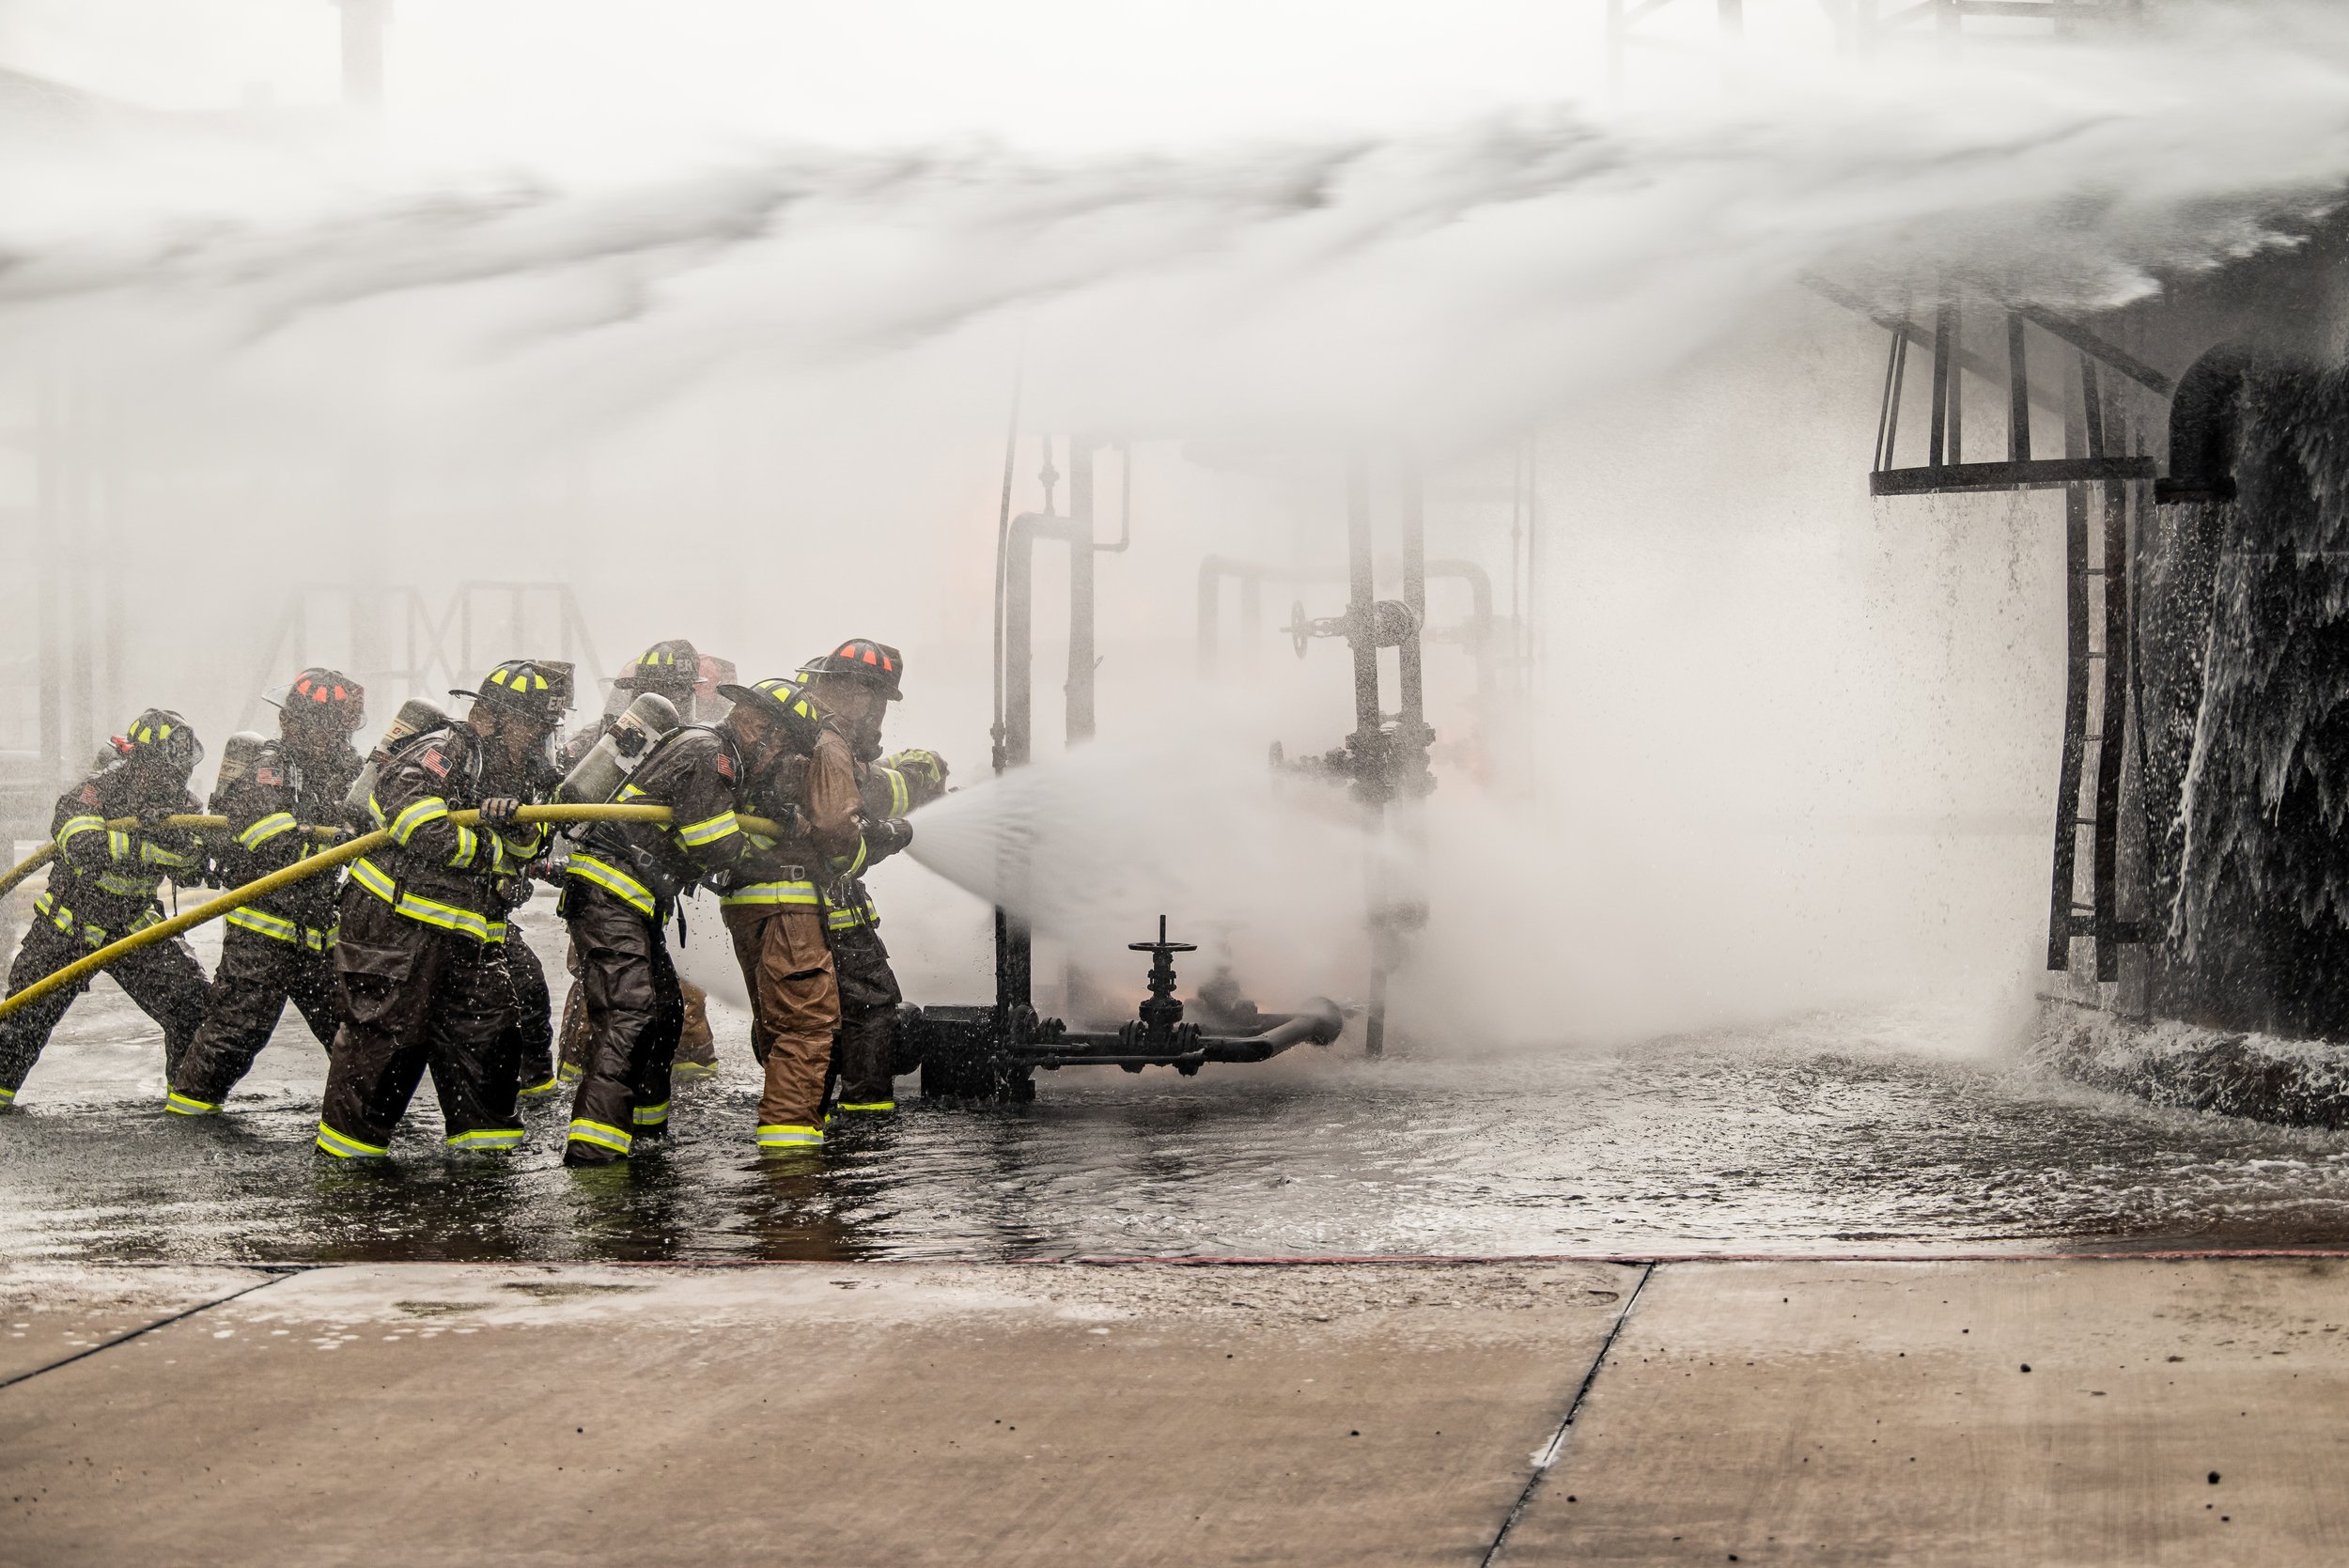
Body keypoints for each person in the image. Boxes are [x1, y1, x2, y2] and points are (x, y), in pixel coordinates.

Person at [313, 660, 567, 1158]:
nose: (537, 738)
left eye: (543, 728)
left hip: (467, 934)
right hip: (395, 926)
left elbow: (530, 848)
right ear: (491, 717)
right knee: (387, 1044)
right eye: (529, 726)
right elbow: (415, 822)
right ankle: (346, 1177)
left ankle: (487, 1171)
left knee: (491, 1039)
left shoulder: (515, 773)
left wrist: (516, 831)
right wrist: (490, 849)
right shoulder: (444, 750)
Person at [553, 676, 797, 1166]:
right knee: (629, 1012)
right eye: (783, 742)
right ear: (755, 725)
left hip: (631, 898)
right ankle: (594, 1150)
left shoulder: (705, 746)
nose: (780, 756)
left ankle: (646, 1135)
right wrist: (782, 856)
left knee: (664, 1016)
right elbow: (714, 844)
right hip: (610, 893)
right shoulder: (715, 754)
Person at [723, 644, 911, 1154]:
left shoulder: (801, 733)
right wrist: (879, 841)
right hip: (820, 907)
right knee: (866, 1008)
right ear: (846, 690)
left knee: (799, 1021)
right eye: (874, 698)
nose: (878, 713)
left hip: (770, 900)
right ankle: (862, 1136)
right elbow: (833, 827)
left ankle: (813, 1118)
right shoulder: (826, 739)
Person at [165, 670, 366, 1115]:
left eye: (332, 728)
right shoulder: (270, 768)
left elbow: (374, 815)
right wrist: (330, 840)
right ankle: (186, 1120)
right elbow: (267, 839)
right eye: (300, 723)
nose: (296, 730)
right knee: (233, 1036)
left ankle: (362, 1124)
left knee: (353, 1033)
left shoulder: (346, 770)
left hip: (319, 932)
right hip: (264, 929)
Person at [0, 711, 210, 1107]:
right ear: (140, 761)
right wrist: (147, 846)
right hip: (70, 923)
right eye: (165, 770)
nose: (173, 780)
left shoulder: (184, 804)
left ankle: (189, 1106)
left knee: (193, 1009)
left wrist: (165, 841)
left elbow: (195, 866)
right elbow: (79, 842)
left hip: (134, 924)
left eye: (180, 771)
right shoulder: (100, 788)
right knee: (22, 1022)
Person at [553, 638, 722, 1085]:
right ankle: (665, 1080)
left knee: (610, 985)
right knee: (643, 987)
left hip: (618, 888)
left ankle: (590, 1077)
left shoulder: (599, 739)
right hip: (627, 884)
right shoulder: (684, 744)